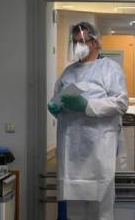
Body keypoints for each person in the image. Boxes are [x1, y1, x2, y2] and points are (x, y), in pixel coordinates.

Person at [48, 22, 128, 220]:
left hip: (98, 150)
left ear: (94, 42)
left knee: (100, 209)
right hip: (73, 152)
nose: (78, 46)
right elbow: (58, 98)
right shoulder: (69, 72)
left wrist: (87, 105)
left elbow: (120, 103)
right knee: (76, 210)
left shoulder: (110, 69)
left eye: (82, 41)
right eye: (75, 42)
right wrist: (54, 107)